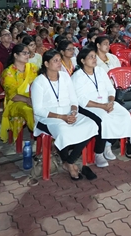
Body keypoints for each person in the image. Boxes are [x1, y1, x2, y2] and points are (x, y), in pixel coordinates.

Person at [31, 50, 99, 181]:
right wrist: (62, 117)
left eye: (59, 60)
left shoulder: (65, 76)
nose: (59, 63)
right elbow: (38, 110)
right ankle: (70, 163)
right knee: (64, 131)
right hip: (48, 118)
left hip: (68, 114)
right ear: (46, 64)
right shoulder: (39, 82)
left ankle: (69, 161)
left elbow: (74, 100)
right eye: (55, 61)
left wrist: (73, 113)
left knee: (91, 124)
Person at [71, 47, 131, 167]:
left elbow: (110, 89)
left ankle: (108, 144)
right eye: (90, 57)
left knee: (124, 114)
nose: (94, 59)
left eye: (94, 56)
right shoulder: (77, 76)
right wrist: (102, 106)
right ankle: (98, 153)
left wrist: (110, 102)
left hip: (107, 102)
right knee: (103, 119)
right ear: (83, 61)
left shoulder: (100, 71)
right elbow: (80, 99)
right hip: (89, 106)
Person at [0, 44, 37, 143]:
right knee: (29, 110)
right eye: (24, 53)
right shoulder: (8, 73)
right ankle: (41, 131)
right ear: (15, 55)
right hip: (15, 102)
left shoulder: (33, 68)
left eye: (28, 53)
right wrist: (28, 100)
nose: (27, 55)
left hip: (33, 98)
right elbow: (12, 95)